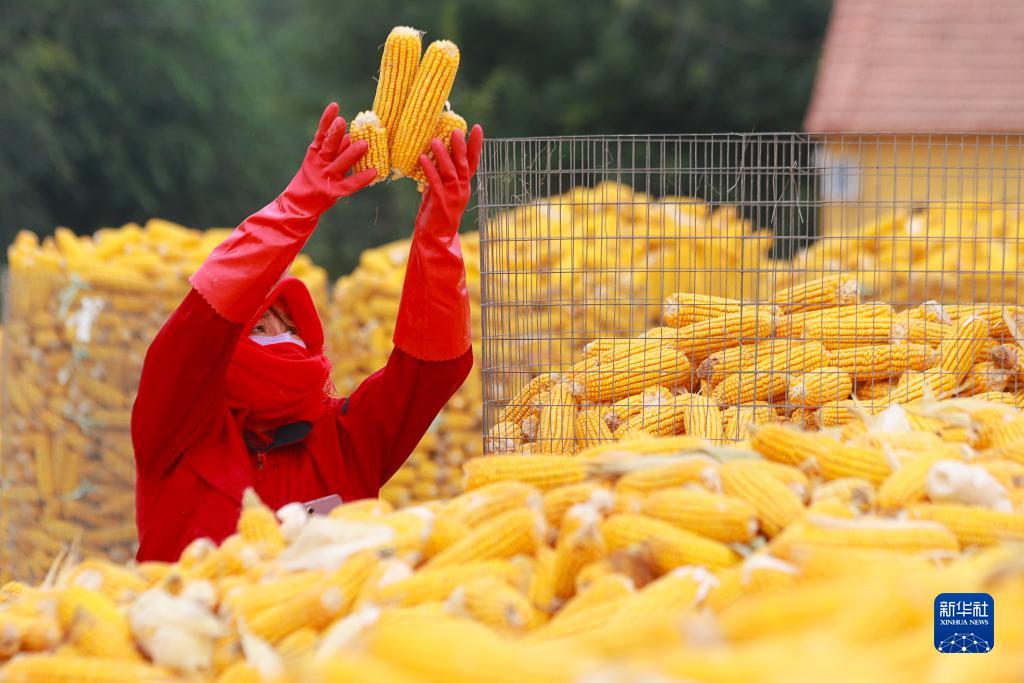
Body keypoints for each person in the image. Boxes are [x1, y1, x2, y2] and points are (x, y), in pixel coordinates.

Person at [131, 102, 483, 562]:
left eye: (291, 326)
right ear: (224, 347)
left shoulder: (346, 437)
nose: (282, 338)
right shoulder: (179, 430)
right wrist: (298, 205)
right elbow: (202, 320)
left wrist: (437, 237)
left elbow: (429, 370)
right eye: (260, 325)